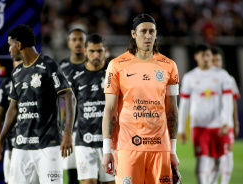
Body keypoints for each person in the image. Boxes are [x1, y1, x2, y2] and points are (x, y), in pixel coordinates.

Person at [0, 24, 76, 184]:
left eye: (10, 45)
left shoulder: (47, 64)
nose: (9, 50)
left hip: (48, 145)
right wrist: (0, 141)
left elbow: (69, 96)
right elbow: (13, 109)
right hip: (21, 146)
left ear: (18, 45)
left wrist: (67, 133)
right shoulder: (16, 73)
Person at [101, 13, 180, 184]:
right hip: (128, 146)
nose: (148, 36)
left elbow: (172, 111)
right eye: (143, 31)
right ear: (133, 34)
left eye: (152, 31)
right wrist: (106, 150)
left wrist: (172, 150)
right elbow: (109, 110)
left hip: (160, 147)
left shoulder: (169, 66)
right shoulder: (116, 65)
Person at [178, 44, 233, 184]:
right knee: (202, 158)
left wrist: (227, 121)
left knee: (219, 160)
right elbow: (184, 104)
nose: (206, 58)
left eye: (208, 55)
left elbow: (227, 100)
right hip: (199, 125)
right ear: (196, 57)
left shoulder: (222, 75)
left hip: (218, 123)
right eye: (203, 55)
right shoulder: (190, 77)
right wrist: (181, 128)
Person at [68, 33, 115, 184]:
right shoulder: (75, 76)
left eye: (99, 51)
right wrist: (67, 133)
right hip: (84, 140)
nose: (96, 55)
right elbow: (70, 107)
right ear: (85, 51)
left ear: (105, 50)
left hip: (110, 141)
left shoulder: (114, 74)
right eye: (92, 51)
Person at [58, 28, 87, 184]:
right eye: (74, 39)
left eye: (81, 39)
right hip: (69, 129)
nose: (77, 43)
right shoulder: (61, 67)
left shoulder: (94, 66)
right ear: (68, 43)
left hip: (91, 128)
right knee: (72, 174)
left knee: (94, 174)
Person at [210, 47, 240, 184]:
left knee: (228, 153)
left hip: (227, 123)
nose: (216, 63)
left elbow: (233, 102)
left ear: (222, 61)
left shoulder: (229, 79)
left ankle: (225, 182)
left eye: (218, 60)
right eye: (213, 60)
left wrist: (236, 122)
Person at [0, 60, 22, 184]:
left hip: (36, 142)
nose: (20, 62)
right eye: (17, 60)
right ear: (13, 63)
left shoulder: (38, 80)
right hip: (12, 143)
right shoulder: (6, 85)